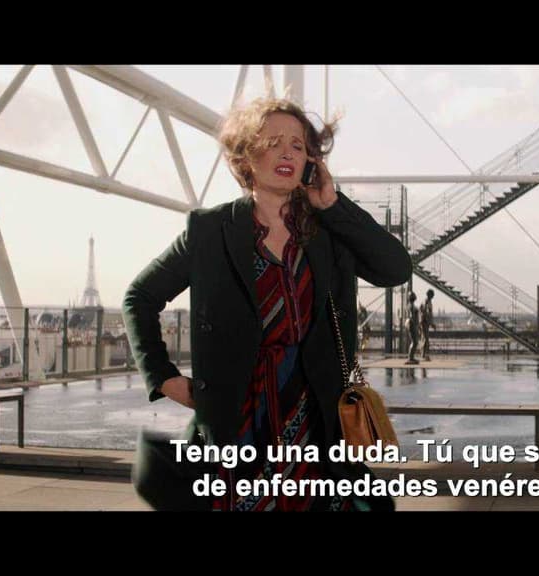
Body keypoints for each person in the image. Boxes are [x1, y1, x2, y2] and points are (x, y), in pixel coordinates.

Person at [123, 96, 412, 511]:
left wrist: (332, 205)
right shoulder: (210, 231)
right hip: (239, 422)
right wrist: (162, 376)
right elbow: (139, 297)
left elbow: (395, 269)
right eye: (273, 142)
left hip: (315, 420)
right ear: (246, 155)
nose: (287, 153)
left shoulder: (328, 229)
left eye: (298, 145)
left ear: (311, 161)